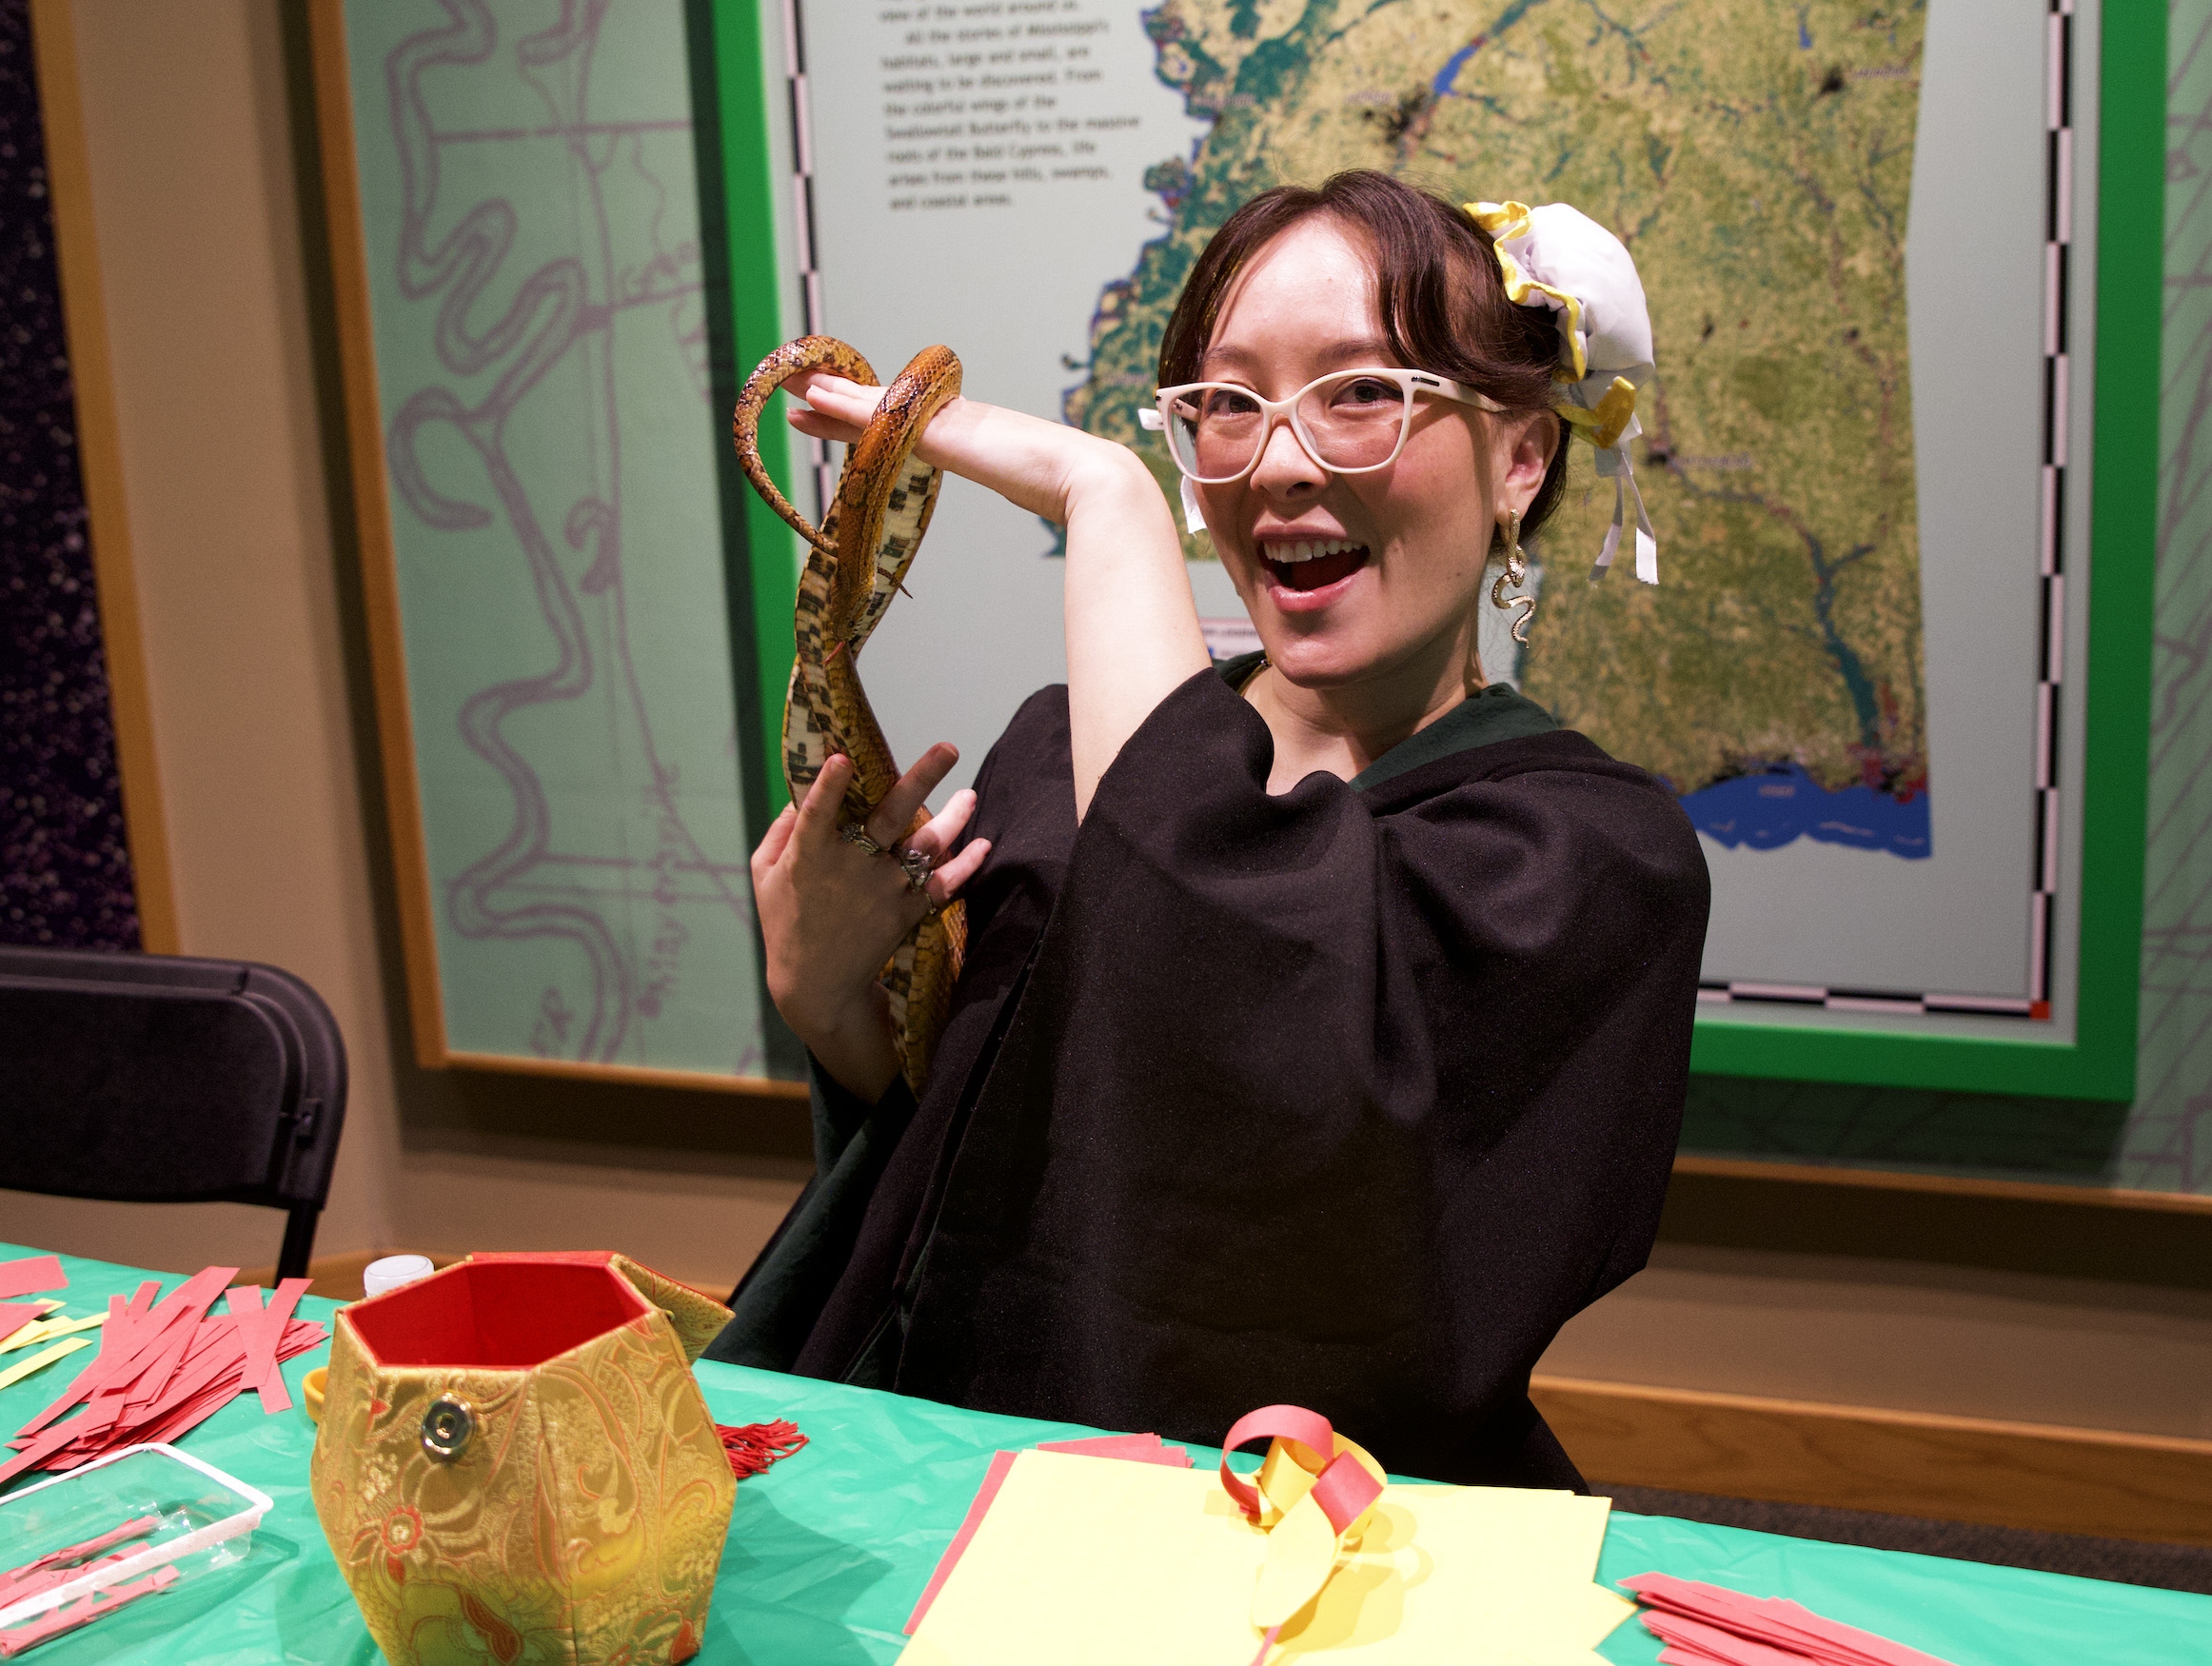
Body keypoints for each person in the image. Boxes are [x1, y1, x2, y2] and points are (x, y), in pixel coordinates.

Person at [703, 170, 1710, 1489]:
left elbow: (1252, 1056)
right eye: (1228, 407)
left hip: (1278, 1544)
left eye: (1363, 394)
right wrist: (834, 995)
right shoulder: (1062, 749)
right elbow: (985, 1148)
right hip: (934, 1468)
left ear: (1522, 455)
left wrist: (1105, 500)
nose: (1278, 463)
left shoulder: (1581, 863)